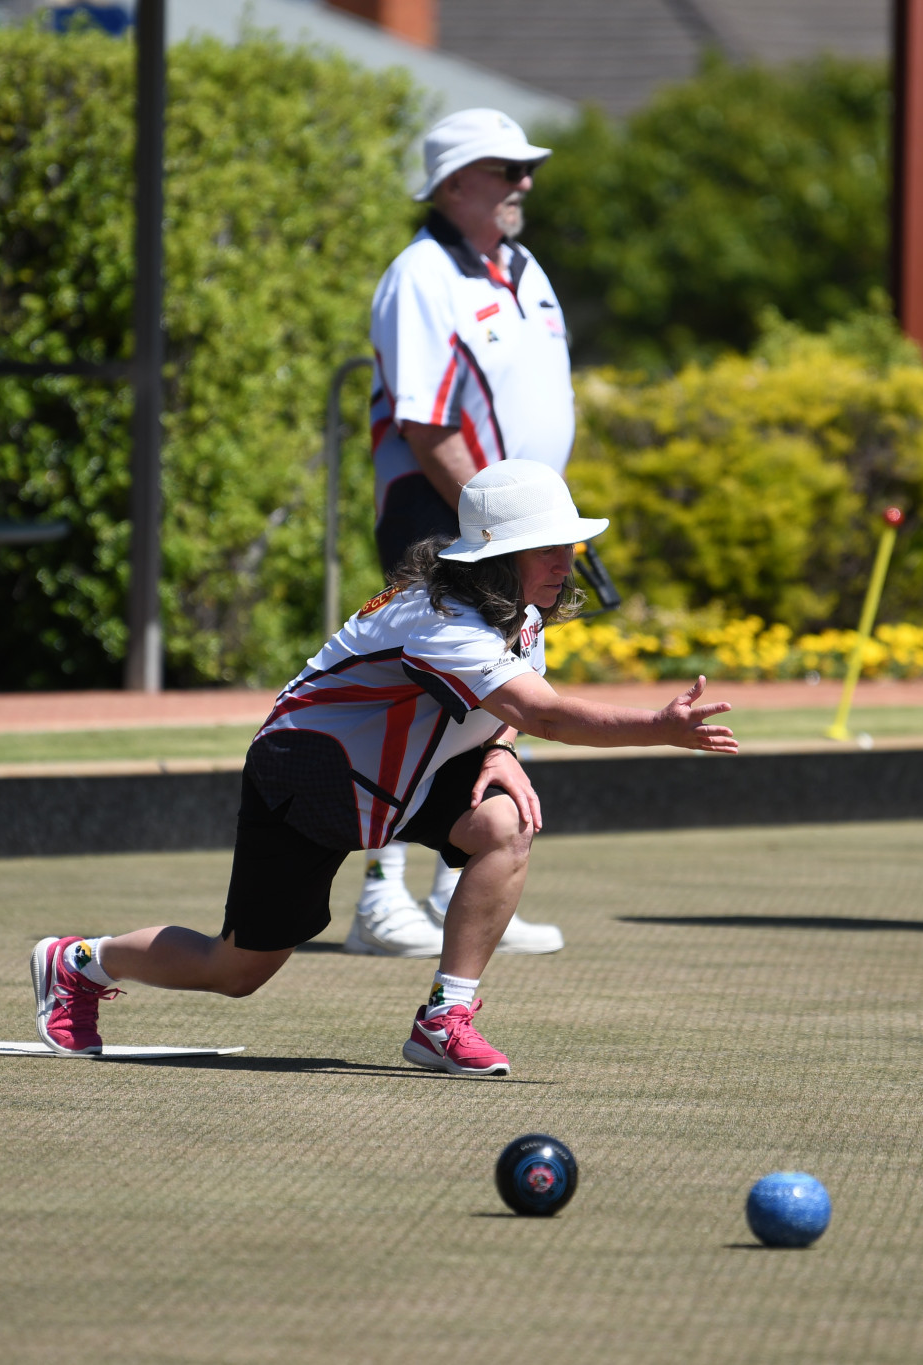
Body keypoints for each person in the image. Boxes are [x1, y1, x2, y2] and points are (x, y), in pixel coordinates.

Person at [28, 462, 737, 1077]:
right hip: (312, 772)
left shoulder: (520, 615)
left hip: (412, 777)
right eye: (546, 548)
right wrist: (659, 727)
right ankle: (80, 962)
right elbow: (543, 712)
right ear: (496, 557)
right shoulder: (441, 621)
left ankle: (443, 1019)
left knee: (505, 821)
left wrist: (499, 751)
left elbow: (510, 712)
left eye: (567, 545)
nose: (565, 560)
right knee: (236, 970)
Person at [351, 107, 580, 959]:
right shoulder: (420, 275)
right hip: (437, 513)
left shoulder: (521, 266)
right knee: (414, 702)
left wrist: (538, 529)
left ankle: (463, 884)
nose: (525, 183)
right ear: (452, 184)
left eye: (528, 168)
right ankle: (380, 899)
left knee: (494, 703)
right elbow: (427, 425)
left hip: (508, 524)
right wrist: (506, 526)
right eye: (505, 169)